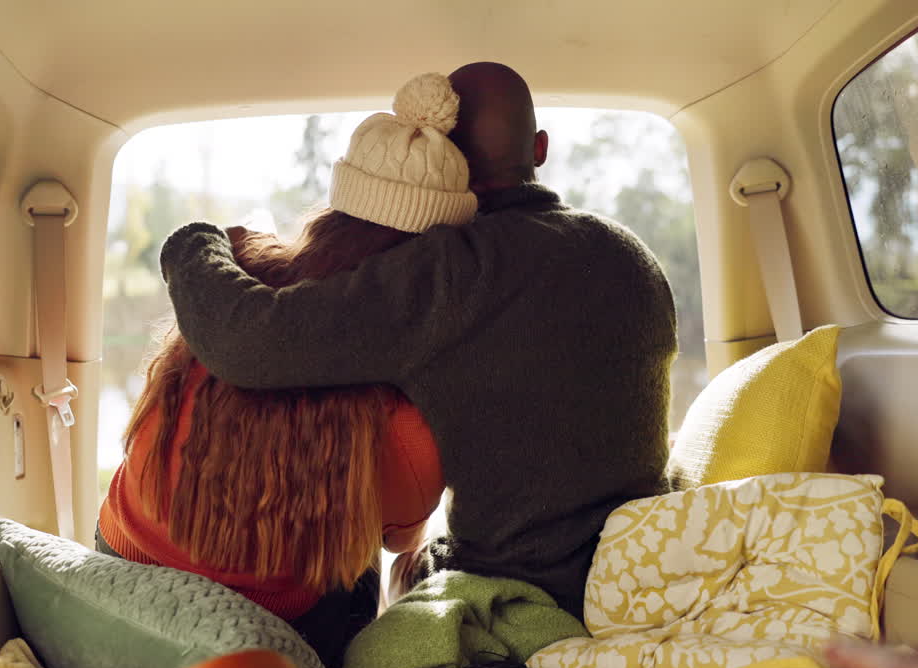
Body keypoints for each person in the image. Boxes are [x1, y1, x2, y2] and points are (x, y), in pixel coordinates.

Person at [158, 62, 679, 619]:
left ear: (439, 155)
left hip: (520, 588)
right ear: (541, 148)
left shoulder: (451, 269)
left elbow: (248, 341)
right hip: (641, 570)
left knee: (378, 564)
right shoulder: (634, 257)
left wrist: (196, 242)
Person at [98, 73, 472, 668]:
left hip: (122, 560)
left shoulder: (231, 286)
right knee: (358, 556)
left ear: (333, 212)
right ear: (435, 262)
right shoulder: (406, 413)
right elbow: (401, 540)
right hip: (268, 624)